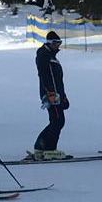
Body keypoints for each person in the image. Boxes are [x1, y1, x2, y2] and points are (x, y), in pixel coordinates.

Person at [32, 30, 69, 158]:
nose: (57, 45)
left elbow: (58, 79)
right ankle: (48, 148)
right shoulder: (44, 55)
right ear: (49, 43)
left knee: (57, 120)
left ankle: (42, 147)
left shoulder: (51, 55)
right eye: (55, 43)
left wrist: (63, 96)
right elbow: (45, 76)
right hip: (51, 95)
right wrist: (50, 93)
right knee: (58, 121)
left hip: (56, 94)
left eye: (59, 43)